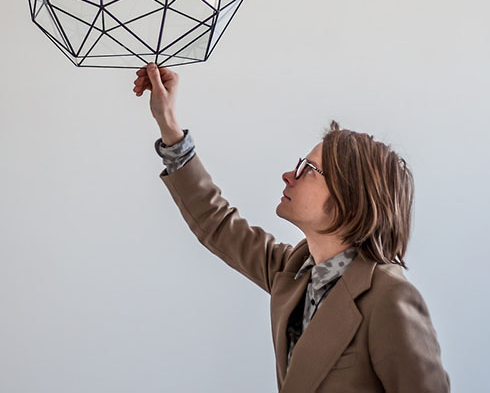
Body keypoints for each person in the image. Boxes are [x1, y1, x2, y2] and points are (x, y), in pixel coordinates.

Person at [132, 63, 450, 393]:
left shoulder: (389, 297)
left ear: (351, 200)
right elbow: (218, 224)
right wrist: (167, 123)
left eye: (309, 169)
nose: (289, 175)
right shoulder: (295, 270)